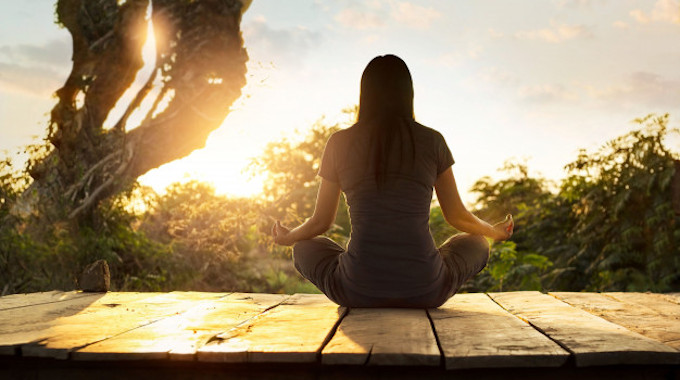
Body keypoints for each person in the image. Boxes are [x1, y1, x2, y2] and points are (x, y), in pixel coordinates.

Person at [271, 54, 513, 308]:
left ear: (364, 94)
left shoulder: (339, 142)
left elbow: (321, 221)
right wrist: (492, 232)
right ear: (408, 93)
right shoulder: (433, 141)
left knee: (304, 248)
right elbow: (457, 216)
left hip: (357, 289)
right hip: (425, 290)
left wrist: (290, 238)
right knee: (476, 243)